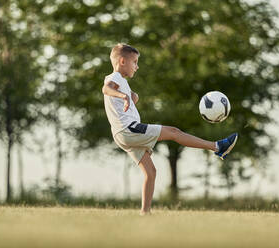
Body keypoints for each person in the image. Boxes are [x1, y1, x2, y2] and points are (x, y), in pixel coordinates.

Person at [102, 43, 238, 215]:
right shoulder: (114, 78)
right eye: (135, 62)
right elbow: (106, 89)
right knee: (174, 132)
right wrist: (123, 95)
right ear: (122, 61)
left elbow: (119, 95)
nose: (137, 66)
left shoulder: (122, 82)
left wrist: (131, 96)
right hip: (129, 130)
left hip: (122, 134)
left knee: (151, 172)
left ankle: (145, 213)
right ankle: (217, 147)